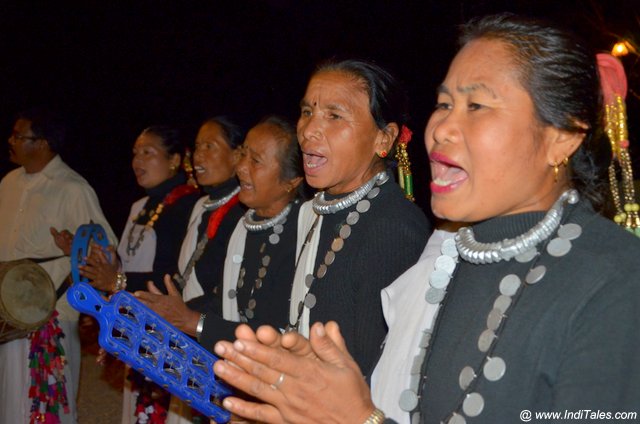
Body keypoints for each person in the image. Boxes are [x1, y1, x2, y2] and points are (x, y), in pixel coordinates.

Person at [209, 13, 640, 424]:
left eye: (476, 106)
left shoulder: (616, 283)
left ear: (561, 137)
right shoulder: (447, 260)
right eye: (443, 103)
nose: (441, 128)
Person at [286, 59, 430, 374]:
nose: (309, 130)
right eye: (307, 112)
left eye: (334, 116)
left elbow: (369, 376)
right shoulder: (314, 212)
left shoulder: (394, 228)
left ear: (384, 138)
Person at [0, 108, 116, 424]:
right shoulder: (8, 183)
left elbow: (105, 252)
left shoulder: (73, 188)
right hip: (7, 316)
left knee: (48, 404)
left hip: (50, 317)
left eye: (18, 136)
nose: (10, 141)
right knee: (9, 403)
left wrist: (75, 246)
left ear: (43, 143)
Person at [78, 125, 200, 424]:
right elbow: (124, 265)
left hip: (163, 327)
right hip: (134, 320)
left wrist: (118, 282)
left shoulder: (188, 205)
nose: (137, 161)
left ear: (174, 160)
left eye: (148, 153)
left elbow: (171, 277)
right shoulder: (138, 206)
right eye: (135, 153)